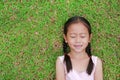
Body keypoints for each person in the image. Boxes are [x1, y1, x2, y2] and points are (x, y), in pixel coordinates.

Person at [56, 16, 103, 80]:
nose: (78, 40)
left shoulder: (96, 62)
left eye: (82, 36)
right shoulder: (61, 62)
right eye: (73, 36)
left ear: (89, 38)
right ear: (65, 38)